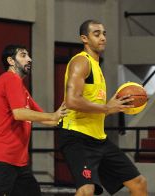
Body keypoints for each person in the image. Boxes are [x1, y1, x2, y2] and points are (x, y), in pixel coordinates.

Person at [58, 20, 148, 196]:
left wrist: (110, 107)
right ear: (84, 38)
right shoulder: (81, 62)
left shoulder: (97, 66)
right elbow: (71, 101)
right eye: (97, 34)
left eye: (104, 33)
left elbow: (94, 105)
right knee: (86, 190)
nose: (103, 38)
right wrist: (106, 108)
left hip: (98, 138)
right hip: (76, 137)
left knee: (139, 183)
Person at [0, 44, 67, 196]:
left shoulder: (21, 89)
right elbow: (19, 114)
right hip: (1, 156)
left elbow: (49, 120)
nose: (29, 59)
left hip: (17, 161)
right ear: (11, 61)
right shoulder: (9, 79)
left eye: (28, 55)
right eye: (23, 55)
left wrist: (71, 115)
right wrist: (52, 116)